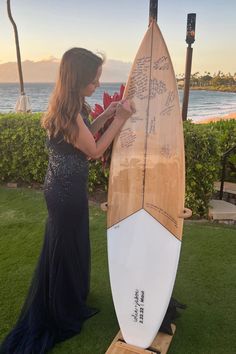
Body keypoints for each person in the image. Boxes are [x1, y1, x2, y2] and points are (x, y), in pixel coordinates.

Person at [0, 47, 134, 354]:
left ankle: (69, 298)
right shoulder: (70, 112)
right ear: (78, 79)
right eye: (94, 79)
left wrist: (107, 114)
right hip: (65, 192)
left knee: (68, 244)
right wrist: (122, 118)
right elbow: (95, 149)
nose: (98, 84)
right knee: (66, 247)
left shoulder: (70, 104)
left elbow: (86, 133)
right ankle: (61, 309)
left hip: (61, 187)